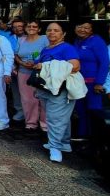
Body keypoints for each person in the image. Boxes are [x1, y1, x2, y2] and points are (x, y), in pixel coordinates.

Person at [34, 22, 82, 163]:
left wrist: (47, 65)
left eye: (56, 30)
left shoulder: (67, 48)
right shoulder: (46, 48)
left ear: (63, 34)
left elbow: (75, 66)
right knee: (61, 117)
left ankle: (55, 148)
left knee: (55, 119)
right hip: (47, 88)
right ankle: (64, 143)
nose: (52, 33)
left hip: (61, 89)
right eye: (49, 30)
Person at [72, 21, 109, 138]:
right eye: (79, 26)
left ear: (92, 30)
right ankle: (83, 137)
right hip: (78, 83)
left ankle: (96, 140)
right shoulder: (76, 41)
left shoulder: (97, 41)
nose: (82, 29)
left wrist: (99, 83)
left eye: (86, 28)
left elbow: (104, 63)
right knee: (81, 111)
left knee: (94, 112)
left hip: (93, 84)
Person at [14, 20, 48, 133]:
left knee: (42, 98)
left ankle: (45, 124)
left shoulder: (44, 39)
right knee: (27, 99)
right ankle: (31, 123)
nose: (31, 28)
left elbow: (50, 53)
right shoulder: (21, 39)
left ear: (39, 29)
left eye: (34, 26)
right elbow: (16, 55)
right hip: (24, 72)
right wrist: (22, 63)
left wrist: (37, 64)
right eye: (29, 25)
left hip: (41, 72)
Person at [9, 18, 27, 121]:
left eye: (20, 26)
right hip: (13, 70)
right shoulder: (9, 38)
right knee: (16, 92)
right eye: (15, 27)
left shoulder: (30, 38)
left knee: (29, 93)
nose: (17, 29)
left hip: (27, 69)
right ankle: (20, 111)